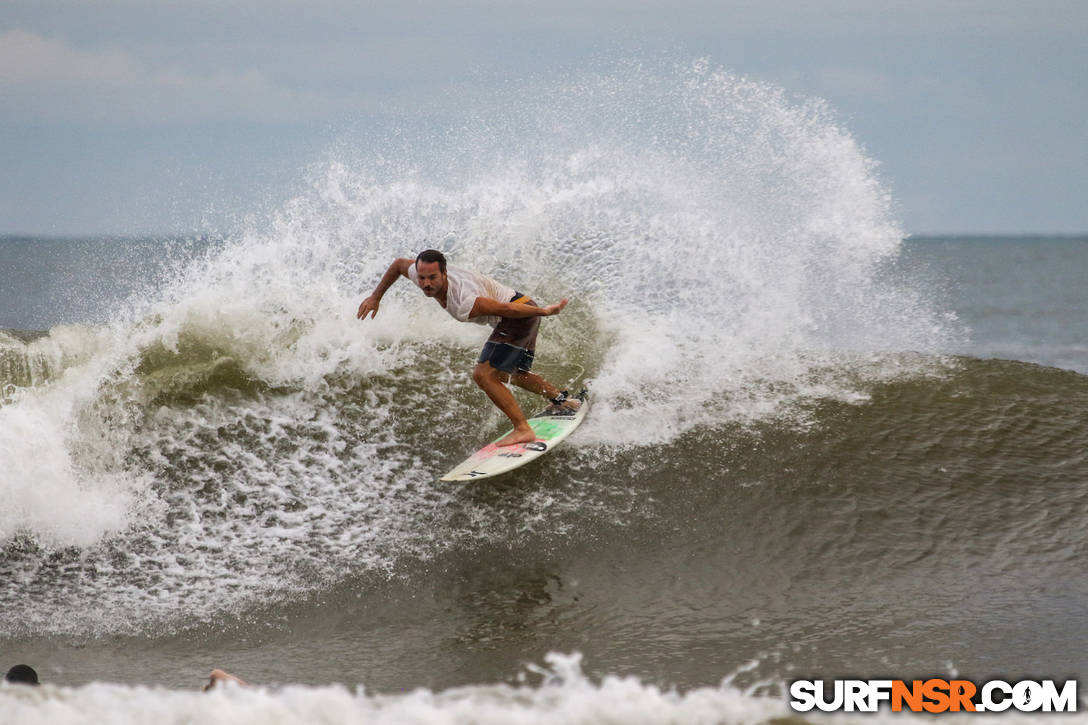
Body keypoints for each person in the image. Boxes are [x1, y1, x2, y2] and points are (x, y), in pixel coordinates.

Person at [357, 250, 580, 447]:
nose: (426, 284)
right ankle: (563, 401)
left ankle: (522, 429)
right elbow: (397, 264)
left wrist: (543, 312)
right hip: (524, 307)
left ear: (444, 274)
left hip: (520, 314)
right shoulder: (419, 273)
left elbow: (505, 309)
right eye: (422, 277)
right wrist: (375, 297)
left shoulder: (463, 301)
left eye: (433, 277)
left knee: (483, 375)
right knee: (512, 373)